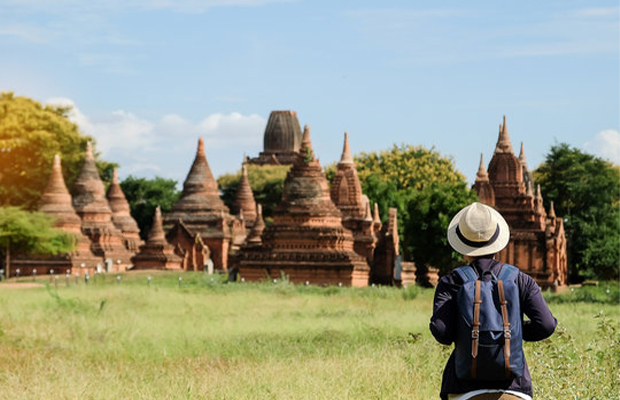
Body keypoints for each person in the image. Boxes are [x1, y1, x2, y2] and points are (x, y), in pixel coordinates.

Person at [430, 202, 557, 400]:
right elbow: (547, 325)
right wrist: (514, 330)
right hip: (515, 388)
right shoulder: (520, 279)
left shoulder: (451, 282)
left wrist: (467, 331)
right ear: (497, 241)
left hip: (463, 388)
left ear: (463, 246)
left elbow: (441, 332)